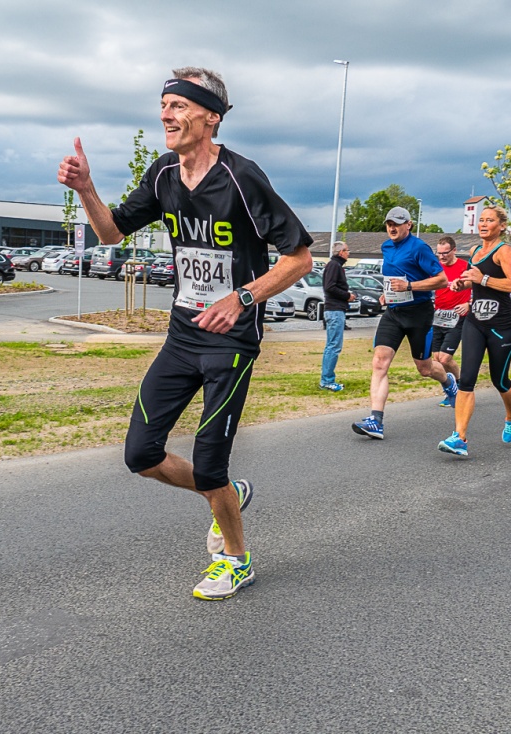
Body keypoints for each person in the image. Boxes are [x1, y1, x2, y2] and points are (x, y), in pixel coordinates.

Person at [57, 66, 313, 600]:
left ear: (210, 117)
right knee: (141, 453)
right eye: (163, 105)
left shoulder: (243, 178)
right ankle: (227, 495)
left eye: (177, 105)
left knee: (209, 455)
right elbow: (110, 232)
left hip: (232, 340)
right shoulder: (162, 175)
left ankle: (237, 559)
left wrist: (241, 298)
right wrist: (86, 188)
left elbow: (300, 258)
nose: (165, 115)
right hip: (181, 336)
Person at [351, 207, 456, 439]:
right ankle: (375, 421)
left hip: (419, 313)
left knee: (425, 368)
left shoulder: (419, 248)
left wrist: (409, 287)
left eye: (397, 223)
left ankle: (449, 383)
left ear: (409, 224)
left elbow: (441, 280)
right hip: (394, 312)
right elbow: (394, 277)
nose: (392, 227)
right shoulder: (386, 247)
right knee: (379, 362)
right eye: (389, 223)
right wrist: (386, 293)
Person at [438, 205, 511, 457]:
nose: (483, 224)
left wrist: (482, 280)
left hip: (501, 328)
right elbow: (471, 278)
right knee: (466, 380)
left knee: (500, 380)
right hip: (475, 322)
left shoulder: (504, 251)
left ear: (502, 225)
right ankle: (459, 438)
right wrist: (460, 283)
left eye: (490, 220)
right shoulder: (475, 251)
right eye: (481, 220)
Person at [432, 236, 470, 407]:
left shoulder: (465, 266)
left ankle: (462, 388)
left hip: (457, 317)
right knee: (436, 359)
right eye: (439, 253)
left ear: (454, 250)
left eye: (445, 253)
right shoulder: (436, 267)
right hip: (438, 317)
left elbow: (480, 287)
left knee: (445, 359)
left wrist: (469, 303)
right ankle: (451, 391)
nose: (442, 257)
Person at [320, 241, 354, 391]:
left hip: (335, 309)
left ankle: (327, 379)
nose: (348, 253)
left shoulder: (335, 266)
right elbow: (330, 287)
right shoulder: (334, 265)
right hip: (334, 310)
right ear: (340, 252)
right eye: (347, 250)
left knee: (332, 346)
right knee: (333, 346)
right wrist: (347, 296)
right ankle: (327, 380)